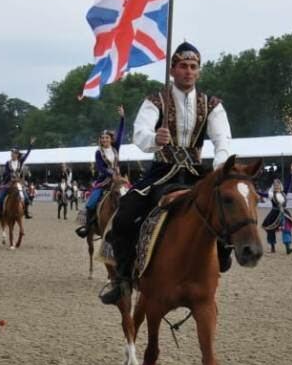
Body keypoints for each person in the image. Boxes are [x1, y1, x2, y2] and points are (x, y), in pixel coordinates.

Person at [100, 42, 232, 305]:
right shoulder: (155, 101)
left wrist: (220, 169)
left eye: (193, 67)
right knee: (124, 213)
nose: (188, 71)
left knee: (228, 210)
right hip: (162, 171)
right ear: (172, 69)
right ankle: (124, 278)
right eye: (183, 66)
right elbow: (139, 134)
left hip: (196, 171)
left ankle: (223, 257)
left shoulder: (212, 105)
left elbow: (223, 140)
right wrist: (154, 139)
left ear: (199, 71)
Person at [76, 105, 125, 238]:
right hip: (104, 181)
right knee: (91, 203)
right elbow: (100, 167)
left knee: (130, 196)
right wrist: (111, 174)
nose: (104, 140)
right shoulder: (99, 152)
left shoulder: (116, 148)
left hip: (118, 180)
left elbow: (120, 132)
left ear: (111, 139)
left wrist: (122, 118)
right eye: (102, 138)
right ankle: (88, 226)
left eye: (107, 138)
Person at [0, 141, 36, 219]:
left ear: (17, 155)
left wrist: (30, 145)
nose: (12, 155)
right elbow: (6, 173)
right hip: (9, 183)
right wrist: (10, 176)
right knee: (0, 199)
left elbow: (27, 155)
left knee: (26, 199)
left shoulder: (20, 162)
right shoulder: (7, 163)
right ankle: (0, 214)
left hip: (18, 183)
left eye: (14, 153)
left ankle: (26, 212)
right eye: (12, 153)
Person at [262, 179, 292, 254]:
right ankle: (273, 247)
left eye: (278, 185)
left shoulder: (284, 193)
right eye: (275, 185)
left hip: (284, 213)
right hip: (274, 214)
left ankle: (288, 248)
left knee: (287, 229)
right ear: (273, 186)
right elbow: (262, 194)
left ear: (280, 186)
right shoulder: (271, 195)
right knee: (271, 231)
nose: (276, 186)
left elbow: (288, 183)